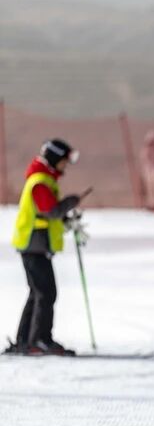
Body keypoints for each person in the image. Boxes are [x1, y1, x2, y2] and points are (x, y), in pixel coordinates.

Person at [8, 139, 83, 356]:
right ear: (54, 158)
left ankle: (25, 340)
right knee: (46, 293)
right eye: (63, 161)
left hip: (35, 245)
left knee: (38, 292)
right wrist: (70, 202)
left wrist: (66, 220)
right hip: (34, 246)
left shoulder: (44, 179)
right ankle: (39, 340)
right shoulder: (40, 181)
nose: (65, 166)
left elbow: (46, 214)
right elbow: (50, 210)